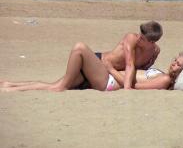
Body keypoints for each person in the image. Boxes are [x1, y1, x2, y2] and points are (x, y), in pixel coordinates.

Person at [0, 21, 163, 92]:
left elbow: (138, 71)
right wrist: (127, 88)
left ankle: (10, 85)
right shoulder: (131, 38)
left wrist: (123, 82)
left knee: (54, 86)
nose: (138, 37)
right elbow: (129, 64)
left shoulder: (154, 52)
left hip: (104, 75)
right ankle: (10, 87)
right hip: (96, 63)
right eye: (140, 34)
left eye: (143, 37)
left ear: (152, 42)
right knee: (58, 86)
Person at [0, 52, 183, 92]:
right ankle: (11, 85)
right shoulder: (162, 73)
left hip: (109, 82)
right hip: (108, 77)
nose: (173, 65)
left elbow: (132, 86)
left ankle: (11, 87)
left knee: (80, 48)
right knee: (56, 83)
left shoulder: (163, 80)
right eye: (174, 61)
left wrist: (109, 69)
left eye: (178, 65)